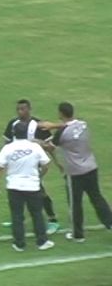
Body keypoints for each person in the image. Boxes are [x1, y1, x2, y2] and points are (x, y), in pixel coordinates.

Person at [40, 102, 112, 242]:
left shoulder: (61, 134)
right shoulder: (83, 124)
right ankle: (110, 223)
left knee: (75, 203)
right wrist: (53, 125)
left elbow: (50, 147)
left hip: (75, 173)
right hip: (91, 167)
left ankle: (77, 234)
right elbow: (69, 126)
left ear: (61, 113)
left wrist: (35, 143)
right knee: (97, 198)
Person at [0, 121, 55, 252]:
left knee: (17, 216)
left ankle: (19, 244)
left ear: (14, 133)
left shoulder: (8, 148)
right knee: (37, 214)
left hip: (14, 187)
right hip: (32, 186)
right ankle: (42, 242)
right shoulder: (35, 147)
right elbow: (46, 163)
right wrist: (39, 175)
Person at [2, 99, 60, 234]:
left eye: (23, 109)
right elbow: (7, 142)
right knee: (17, 192)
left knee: (40, 190)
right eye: (18, 109)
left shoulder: (38, 125)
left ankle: (52, 220)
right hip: (17, 164)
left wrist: (56, 161)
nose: (20, 112)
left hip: (34, 164)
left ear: (29, 109)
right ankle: (19, 220)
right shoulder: (13, 124)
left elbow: (50, 147)